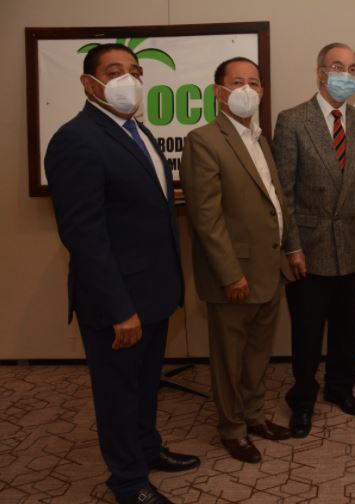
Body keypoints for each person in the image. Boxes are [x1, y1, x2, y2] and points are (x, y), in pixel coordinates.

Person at [44, 43, 198, 504]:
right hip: (118, 302)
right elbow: (83, 235)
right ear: (89, 84)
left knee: (147, 385)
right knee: (117, 394)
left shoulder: (141, 133)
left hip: (154, 291)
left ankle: (147, 450)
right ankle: (127, 482)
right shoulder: (75, 139)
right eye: (115, 71)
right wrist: (119, 308)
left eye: (134, 70)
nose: (128, 78)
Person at [273, 42, 355, 438]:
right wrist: (292, 247)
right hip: (307, 250)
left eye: (353, 68)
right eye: (337, 66)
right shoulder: (292, 120)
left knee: (346, 327)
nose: (346, 75)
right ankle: (303, 398)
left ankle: (340, 388)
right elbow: (285, 194)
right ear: (320, 72)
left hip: (350, 245)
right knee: (308, 331)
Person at [180, 57, 292, 464]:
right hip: (235, 275)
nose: (248, 89)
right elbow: (206, 218)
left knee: (258, 353)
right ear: (219, 92)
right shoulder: (204, 140)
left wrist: (290, 249)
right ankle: (232, 429)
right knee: (229, 358)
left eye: (254, 82)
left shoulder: (260, 139)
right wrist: (230, 273)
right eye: (238, 81)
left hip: (269, 268)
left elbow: (276, 202)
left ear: (262, 91)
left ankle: (254, 415)